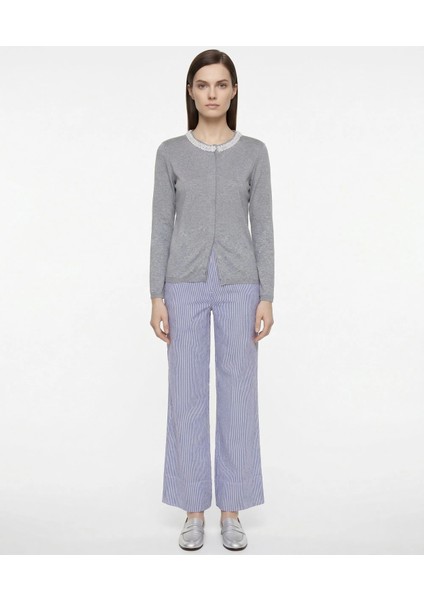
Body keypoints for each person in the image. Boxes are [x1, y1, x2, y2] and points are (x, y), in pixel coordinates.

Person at [149, 49, 275, 551]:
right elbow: (161, 225)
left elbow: (263, 226)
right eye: (203, 85)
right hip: (182, 284)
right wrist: (156, 294)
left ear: (234, 91)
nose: (212, 94)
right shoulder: (170, 153)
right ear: (191, 91)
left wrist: (268, 294)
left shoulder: (255, 153)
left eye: (221, 85)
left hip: (242, 285)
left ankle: (232, 511)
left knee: (239, 394)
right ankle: (192, 511)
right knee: (186, 395)